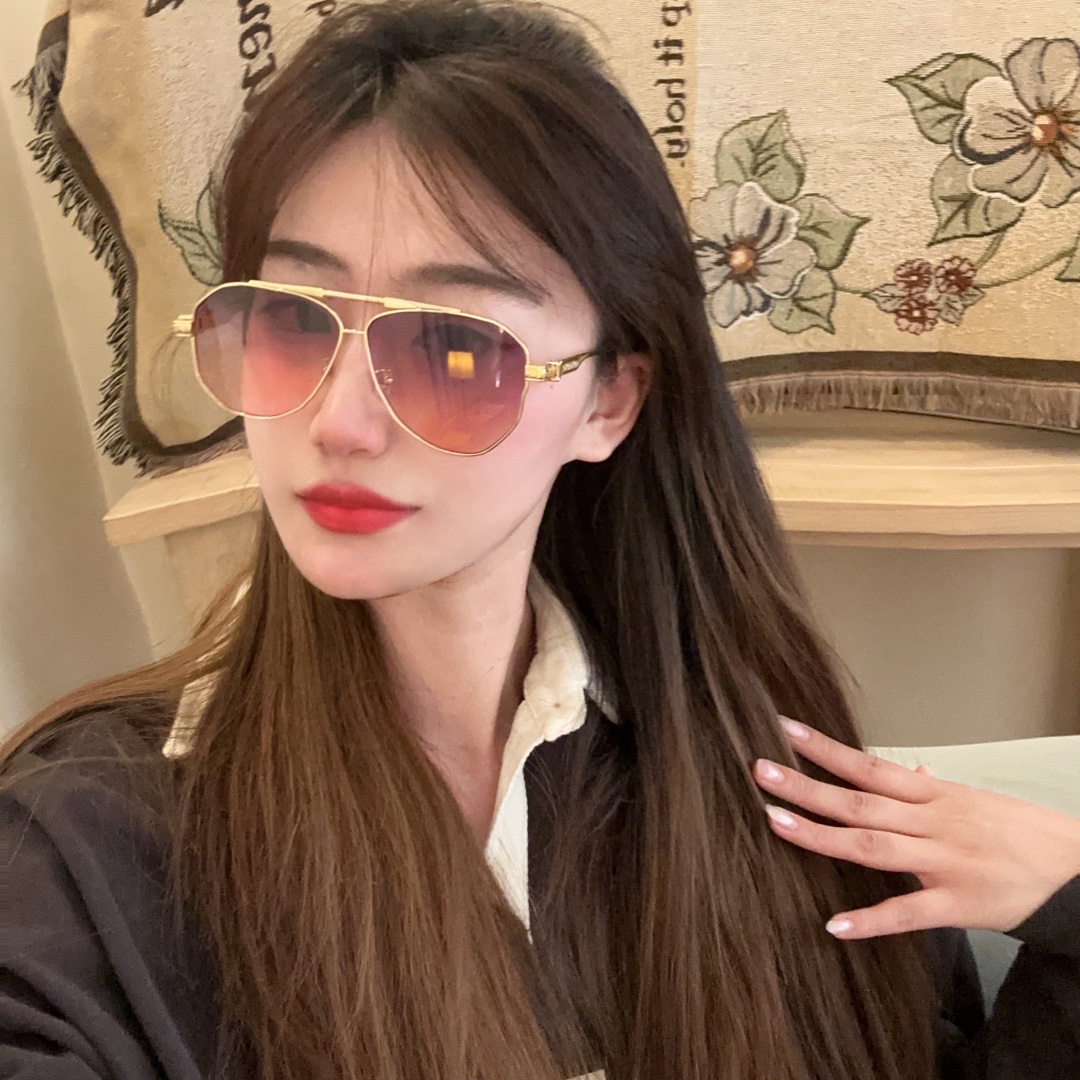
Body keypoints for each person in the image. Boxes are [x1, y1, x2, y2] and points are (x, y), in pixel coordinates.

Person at [2, 3, 1078, 1079]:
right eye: (292, 323)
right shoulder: (83, 846)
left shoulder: (769, 793)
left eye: (453, 350)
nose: (339, 421)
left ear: (610, 401)